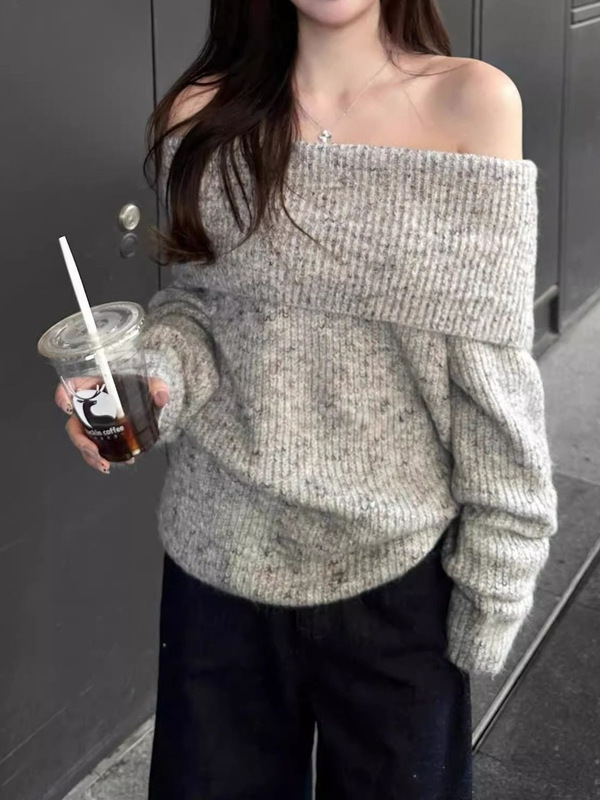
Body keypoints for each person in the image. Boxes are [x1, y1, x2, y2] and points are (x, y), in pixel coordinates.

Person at [55, 1, 559, 797]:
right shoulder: (204, 112)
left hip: (400, 577)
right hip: (218, 561)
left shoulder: (472, 102)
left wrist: (500, 567)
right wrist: (152, 380)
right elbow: (196, 313)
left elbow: (492, 367)